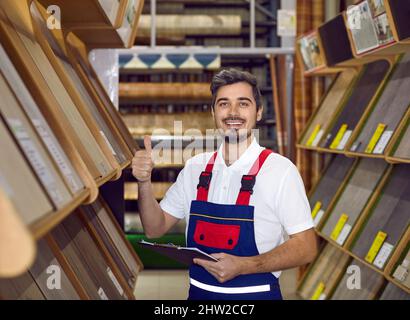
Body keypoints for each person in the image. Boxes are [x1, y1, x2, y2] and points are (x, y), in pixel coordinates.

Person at [132, 68, 318, 300]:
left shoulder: (280, 171)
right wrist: (143, 182)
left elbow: (306, 247)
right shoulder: (194, 168)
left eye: (243, 104)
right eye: (223, 104)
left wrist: (245, 265)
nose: (233, 112)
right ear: (213, 112)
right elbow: (154, 228)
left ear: (258, 112)